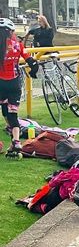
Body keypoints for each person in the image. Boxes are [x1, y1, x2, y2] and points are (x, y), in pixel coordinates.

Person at [0, 19, 38, 158]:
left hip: (0, 83)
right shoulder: (18, 44)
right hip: (14, 83)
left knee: (4, 111)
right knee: (12, 113)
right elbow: (32, 61)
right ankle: (16, 142)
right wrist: (33, 72)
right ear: (10, 31)